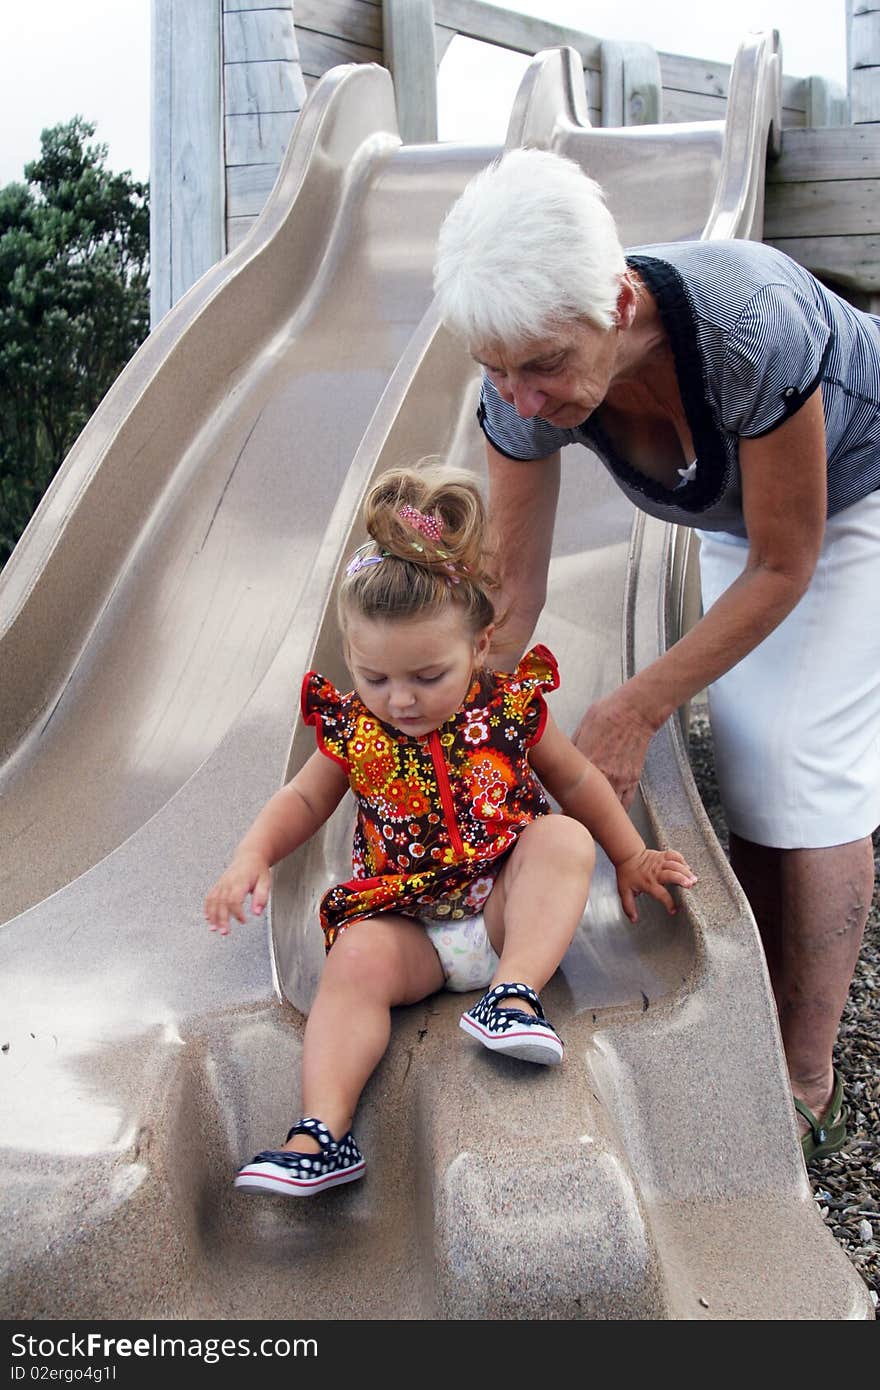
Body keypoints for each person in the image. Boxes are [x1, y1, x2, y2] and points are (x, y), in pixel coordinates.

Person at [432, 147, 880, 1163]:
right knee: (754, 762)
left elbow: (783, 561)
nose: (522, 398)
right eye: (495, 370)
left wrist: (633, 706)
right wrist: (456, 726)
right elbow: (514, 591)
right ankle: (754, 1003)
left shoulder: (748, 328)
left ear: (621, 301)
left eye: (543, 363)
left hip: (855, 484)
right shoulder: (516, 387)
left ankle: (808, 1081)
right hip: (741, 508)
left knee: (801, 764)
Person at [204, 464, 697, 1197]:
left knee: (561, 837)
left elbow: (578, 782)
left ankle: (514, 996)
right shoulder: (357, 730)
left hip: (504, 911)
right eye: (374, 677)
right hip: (410, 932)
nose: (399, 698)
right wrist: (252, 855)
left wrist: (630, 854)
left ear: (480, 645)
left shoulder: (509, 708)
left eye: (427, 676)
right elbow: (302, 803)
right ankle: (321, 1135)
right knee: (353, 965)